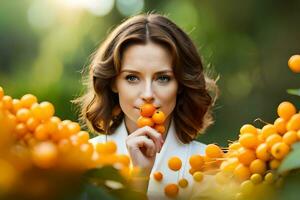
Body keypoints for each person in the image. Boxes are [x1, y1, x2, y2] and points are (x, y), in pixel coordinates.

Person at [76, 13, 218, 199]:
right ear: (113, 83)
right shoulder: (82, 163)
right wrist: (139, 179)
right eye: (132, 78)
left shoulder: (210, 167)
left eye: (163, 78)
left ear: (181, 85)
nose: (148, 94)